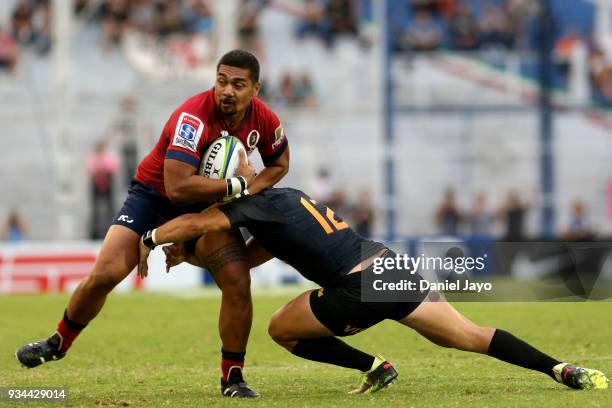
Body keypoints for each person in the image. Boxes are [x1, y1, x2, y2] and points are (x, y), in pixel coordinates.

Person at [138, 187, 609, 393]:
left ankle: (375, 366)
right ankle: (560, 369)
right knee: (471, 335)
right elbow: (251, 255)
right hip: (389, 265)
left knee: (281, 329)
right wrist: (193, 257)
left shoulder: (248, 206)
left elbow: (200, 222)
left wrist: (153, 237)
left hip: (360, 285)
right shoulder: (280, 200)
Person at [16, 50, 290, 399]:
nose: (227, 91)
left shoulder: (264, 119)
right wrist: (236, 186)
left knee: (237, 280)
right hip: (154, 197)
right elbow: (176, 186)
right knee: (106, 274)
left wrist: (249, 188)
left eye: (238, 84)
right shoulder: (192, 118)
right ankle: (58, 341)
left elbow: (279, 163)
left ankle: (232, 377)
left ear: (256, 88)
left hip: (207, 205)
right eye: (222, 81)